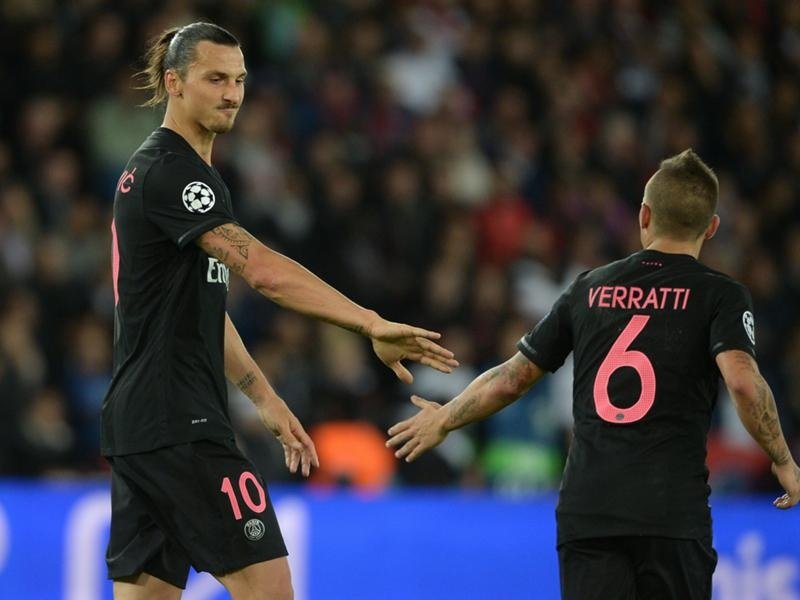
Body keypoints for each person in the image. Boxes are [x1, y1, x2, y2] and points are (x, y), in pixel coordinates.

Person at [102, 22, 458, 600]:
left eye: (239, 80)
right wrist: (369, 321)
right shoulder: (173, 173)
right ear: (173, 82)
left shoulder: (172, 173)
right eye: (214, 78)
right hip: (181, 426)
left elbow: (200, 311)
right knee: (270, 589)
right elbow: (263, 272)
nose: (231, 94)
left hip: (141, 425)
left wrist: (263, 396)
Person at [387, 149, 800, 600]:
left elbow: (512, 377)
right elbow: (742, 380)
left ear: (644, 216)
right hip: (671, 513)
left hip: (590, 512)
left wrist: (444, 418)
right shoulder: (721, 295)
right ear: (712, 227)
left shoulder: (590, 287)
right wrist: (781, 458)